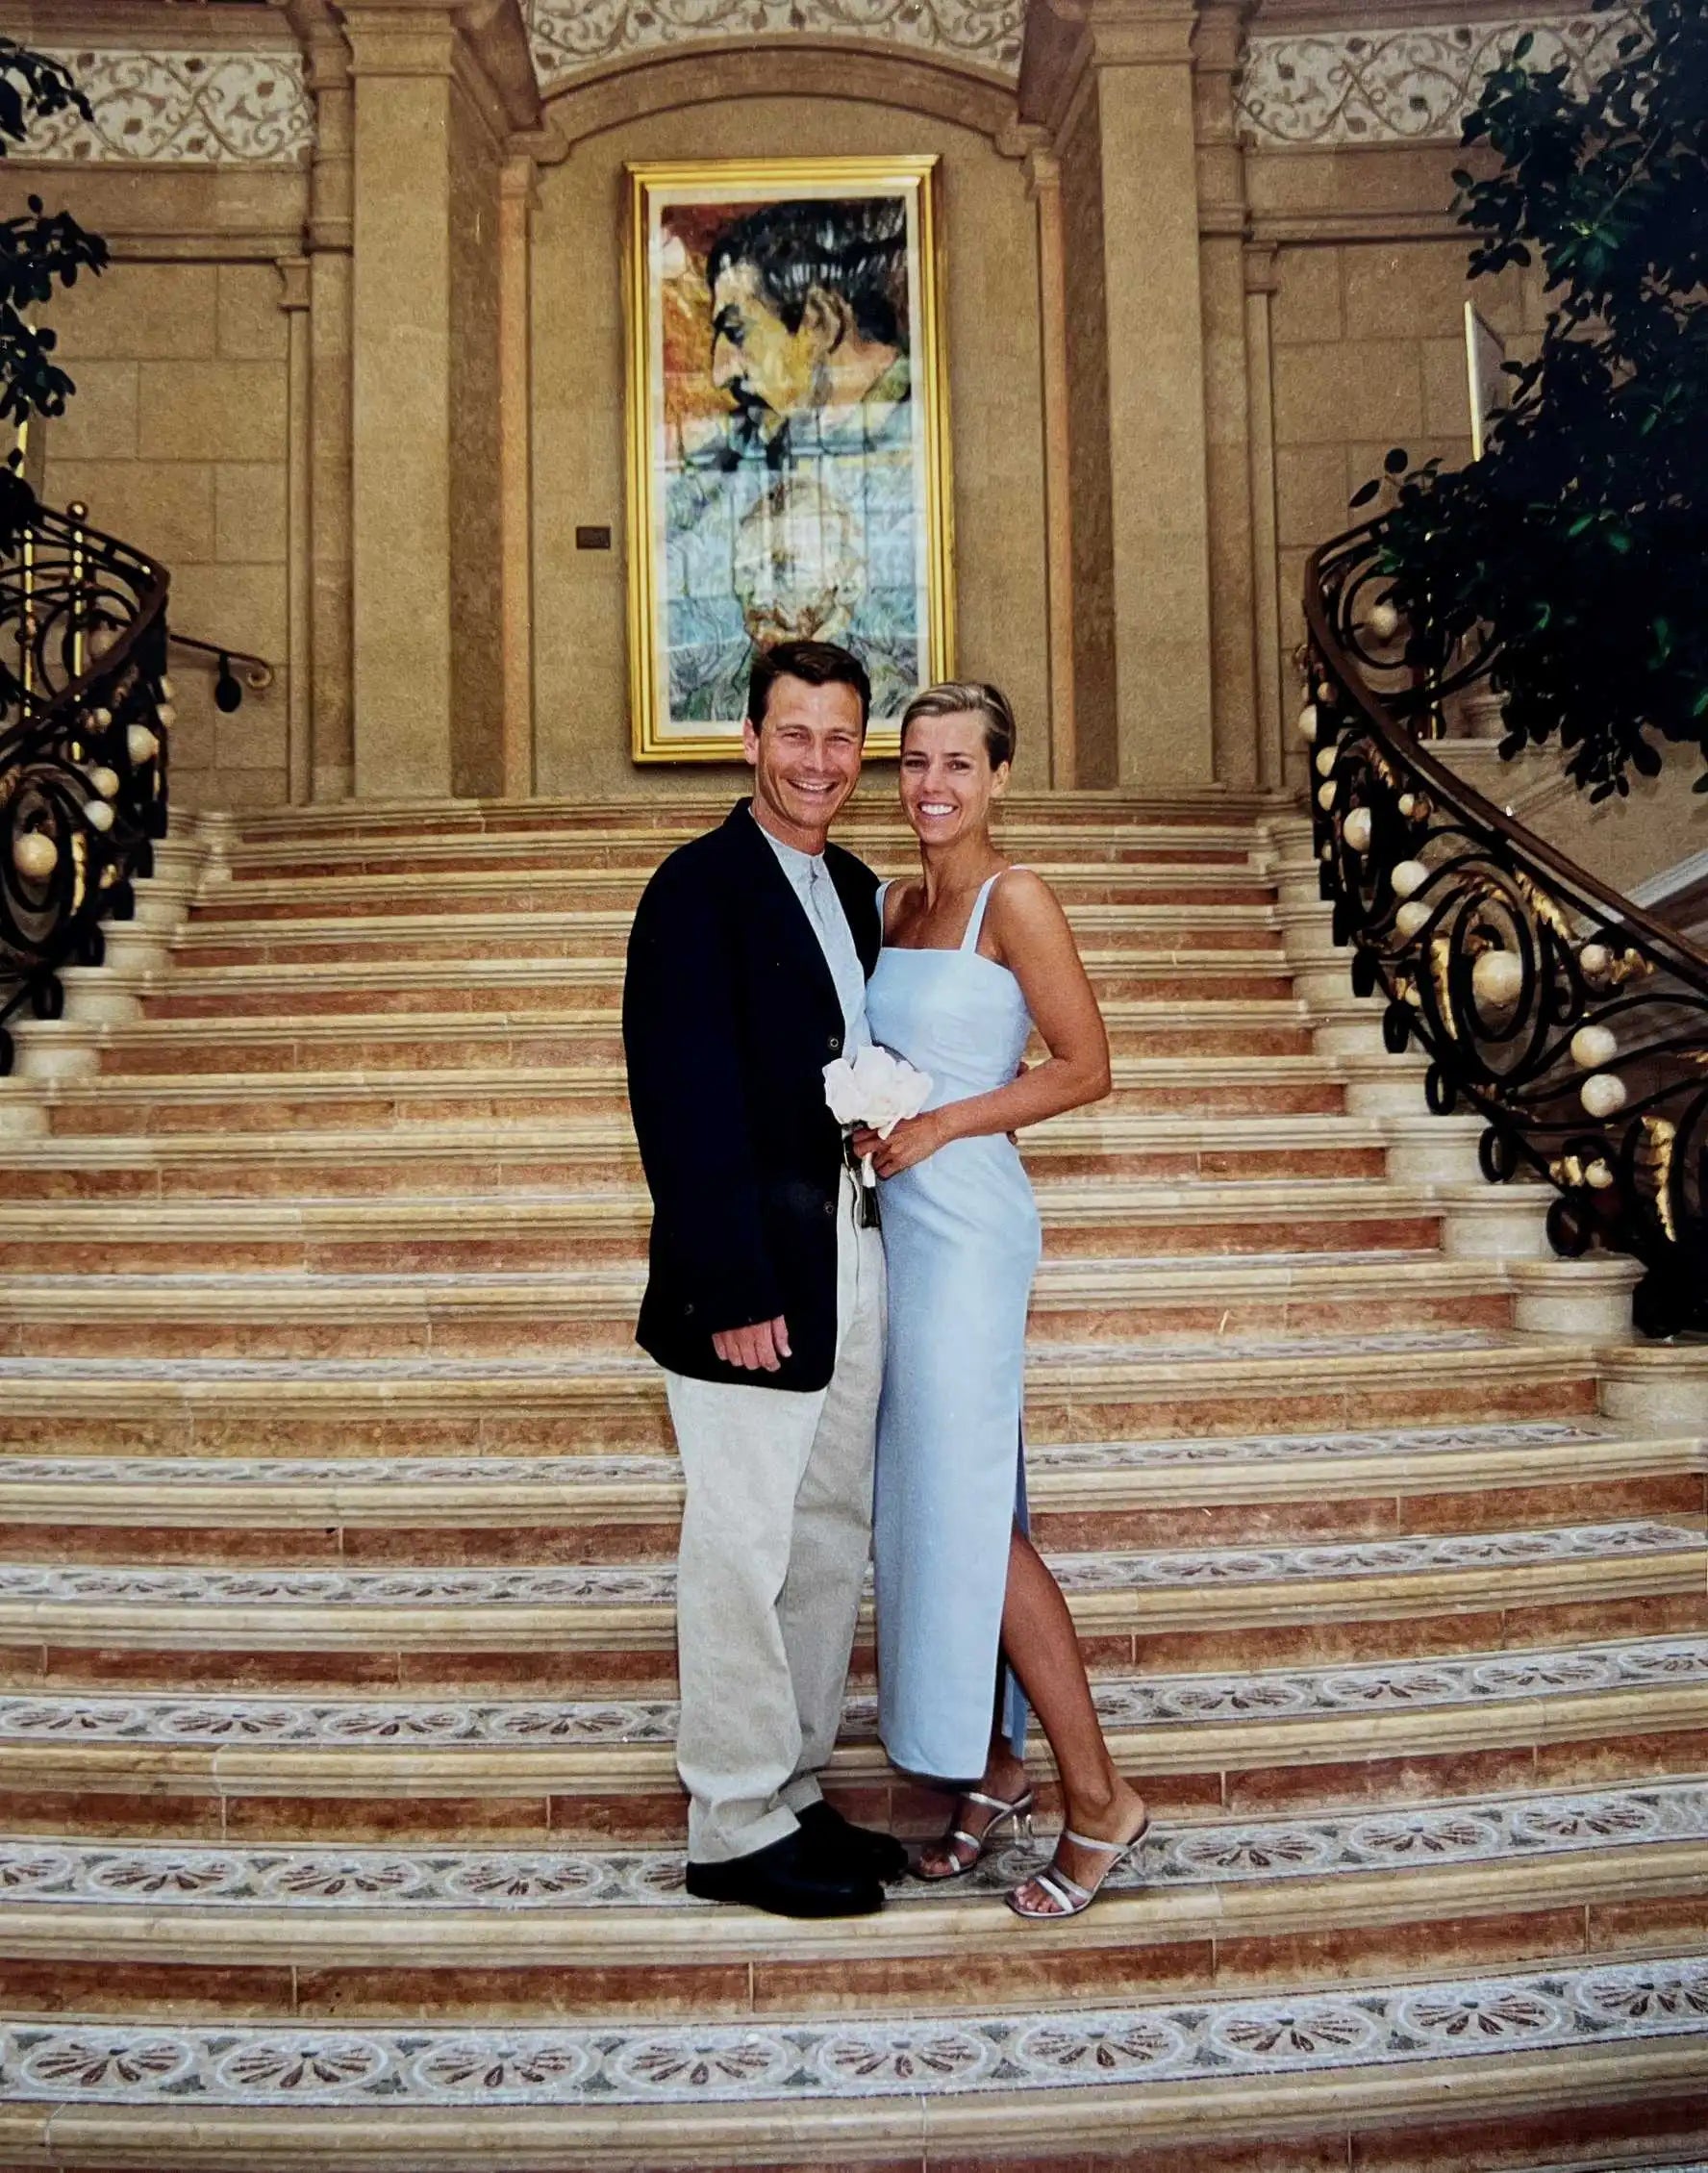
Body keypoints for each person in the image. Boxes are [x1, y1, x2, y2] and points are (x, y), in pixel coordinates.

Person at [853, 681, 1151, 1920]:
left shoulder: (1012, 898)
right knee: (927, 1497)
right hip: (894, 1221)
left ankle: (1102, 1801)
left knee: (973, 1514)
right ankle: (994, 1766)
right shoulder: (889, 899)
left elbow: (1089, 1067)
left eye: (959, 765)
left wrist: (941, 1123)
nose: (933, 785)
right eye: (915, 763)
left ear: (1000, 775)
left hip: (970, 1219)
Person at [621, 636, 907, 1919]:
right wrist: (734, 1289)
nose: (819, 762)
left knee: (830, 1530)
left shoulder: (851, 885)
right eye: (795, 735)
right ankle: (730, 1824)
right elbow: (683, 1105)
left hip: (848, 1245)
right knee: (741, 1541)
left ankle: (790, 1788)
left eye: (842, 738)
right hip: (751, 1273)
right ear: (748, 741)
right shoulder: (696, 890)